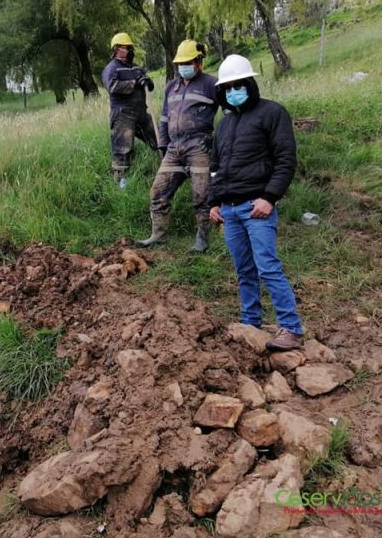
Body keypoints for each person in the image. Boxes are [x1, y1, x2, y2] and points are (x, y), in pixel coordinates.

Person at [208, 55, 304, 351]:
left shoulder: (272, 113)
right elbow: (216, 167)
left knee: (267, 267)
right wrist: (214, 202)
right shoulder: (224, 125)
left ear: (249, 84)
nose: (234, 91)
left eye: (239, 85)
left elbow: (285, 160)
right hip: (230, 209)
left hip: (256, 207)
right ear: (222, 92)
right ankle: (251, 321)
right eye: (228, 87)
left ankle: (292, 329)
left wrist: (269, 197)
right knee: (244, 269)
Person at [135, 39, 219, 252]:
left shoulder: (211, 84)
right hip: (174, 147)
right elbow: (164, 119)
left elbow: (229, 113)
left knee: (202, 193)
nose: (183, 67)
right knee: (158, 191)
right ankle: (159, 234)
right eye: (180, 63)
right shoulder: (172, 87)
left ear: (199, 62)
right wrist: (163, 146)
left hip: (199, 145)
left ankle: (202, 239)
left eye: (188, 62)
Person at [101, 32, 158, 188]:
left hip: (141, 112)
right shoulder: (111, 68)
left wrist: (147, 81)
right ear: (116, 49)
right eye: (125, 48)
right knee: (123, 149)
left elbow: (148, 86)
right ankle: (121, 183)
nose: (128, 50)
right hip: (123, 115)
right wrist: (134, 83)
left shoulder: (136, 67)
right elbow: (112, 86)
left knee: (159, 138)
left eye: (129, 47)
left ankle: (167, 169)